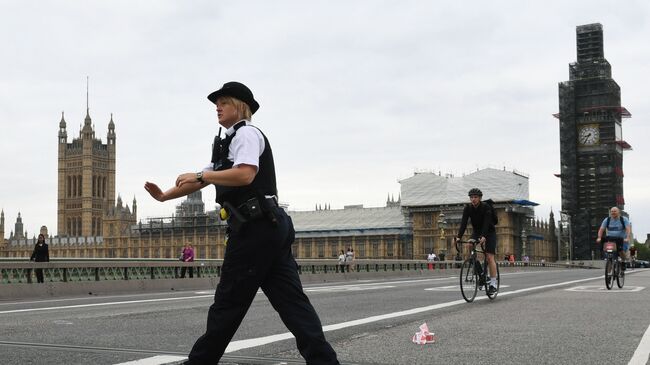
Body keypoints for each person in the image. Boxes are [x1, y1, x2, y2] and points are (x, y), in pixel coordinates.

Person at [144, 81, 338, 364]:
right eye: (216, 104)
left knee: (228, 303)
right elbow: (196, 180)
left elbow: (244, 174)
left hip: (254, 227)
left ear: (240, 106)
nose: (217, 108)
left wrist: (201, 176)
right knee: (293, 304)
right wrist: (164, 196)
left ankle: (199, 362)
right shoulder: (227, 146)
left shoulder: (247, 134)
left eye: (223, 102)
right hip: (270, 225)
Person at [453, 188, 499, 295]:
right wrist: (459, 237)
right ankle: (482, 274)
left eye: (475, 197)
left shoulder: (486, 207)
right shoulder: (468, 208)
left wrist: (483, 236)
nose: (473, 199)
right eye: (471, 197)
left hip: (489, 231)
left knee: (489, 257)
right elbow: (464, 223)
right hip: (477, 231)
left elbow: (487, 222)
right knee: (469, 245)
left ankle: (493, 284)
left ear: (480, 198)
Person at [596, 206, 631, 272]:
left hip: (622, 239)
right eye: (612, 211)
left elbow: (628, 229)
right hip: (611, 239)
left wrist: (627, 238)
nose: (613, 212)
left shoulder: (624, 219)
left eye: (615, 211)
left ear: (618, 212)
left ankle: (623, 261)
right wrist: (599, 237)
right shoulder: (607, 220)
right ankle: (608, 274)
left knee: (621, 251)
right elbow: (601, 229)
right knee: (609, 255)